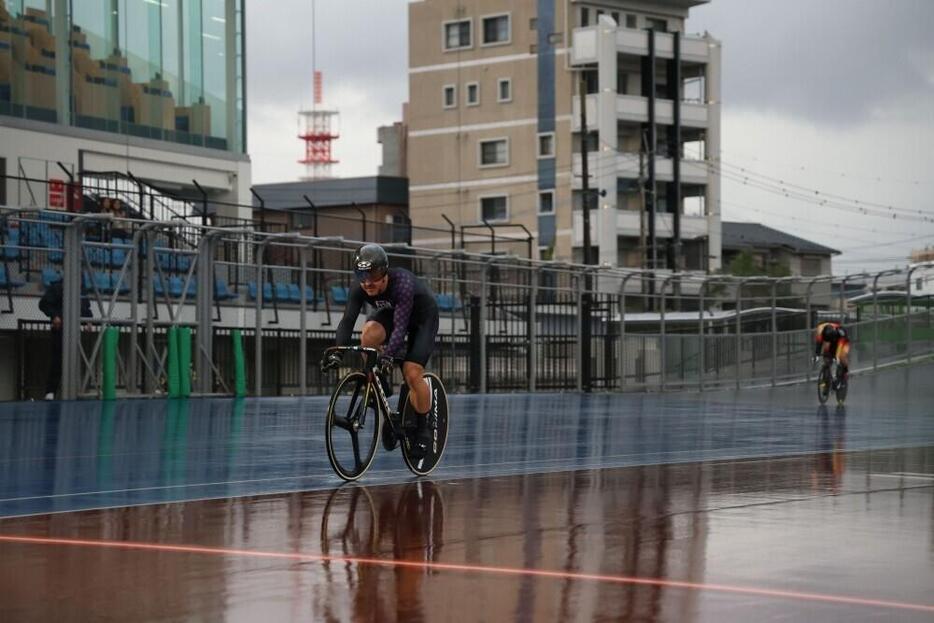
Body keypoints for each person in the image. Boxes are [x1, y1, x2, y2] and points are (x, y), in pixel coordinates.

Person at [322, 244, 439, 457]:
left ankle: (424, 430)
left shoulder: (401, 283)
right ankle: (381, 386)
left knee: (412, 373)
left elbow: (401, 327)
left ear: (385, 272)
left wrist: (387, 356)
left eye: (373, 275)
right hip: (392, 315)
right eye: (362, 275)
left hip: (422, 319)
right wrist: (337, 352)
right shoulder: (360, 287)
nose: (367, 282)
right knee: (368, 334)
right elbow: (347, 321)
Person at [39, 275, 92, 399]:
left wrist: (88, 320)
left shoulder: (81, 290)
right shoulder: (57, 288)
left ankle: (75, 390)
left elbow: (85, 308)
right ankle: (51, 391)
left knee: (75, 358)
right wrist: (54, 316)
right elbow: (44, 304)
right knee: (57, 359)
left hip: (74, 329)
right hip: (60, 328)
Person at [813, 321, 850, 388]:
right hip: (831, 341)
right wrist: (817, 355)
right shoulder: (820, 330)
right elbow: (819, 343)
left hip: (841, 341)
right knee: (827, 357)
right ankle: (826, 379)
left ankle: (844, 372)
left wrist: (837, 357)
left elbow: (840, 345)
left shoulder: (840, 332)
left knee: (842, 356)